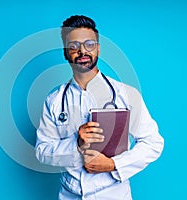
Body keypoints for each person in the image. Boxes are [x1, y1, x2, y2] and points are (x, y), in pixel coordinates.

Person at [35, 15, 164, 200]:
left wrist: (113, 165)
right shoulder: (54, 100)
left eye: (89, 44)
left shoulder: (126, 94)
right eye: (74, 46)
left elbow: (153, 143)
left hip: (113, 194)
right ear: (65, 52)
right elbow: (42, 152)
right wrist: (76, 144)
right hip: (69, 195)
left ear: (98, 49)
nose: (82, 52)